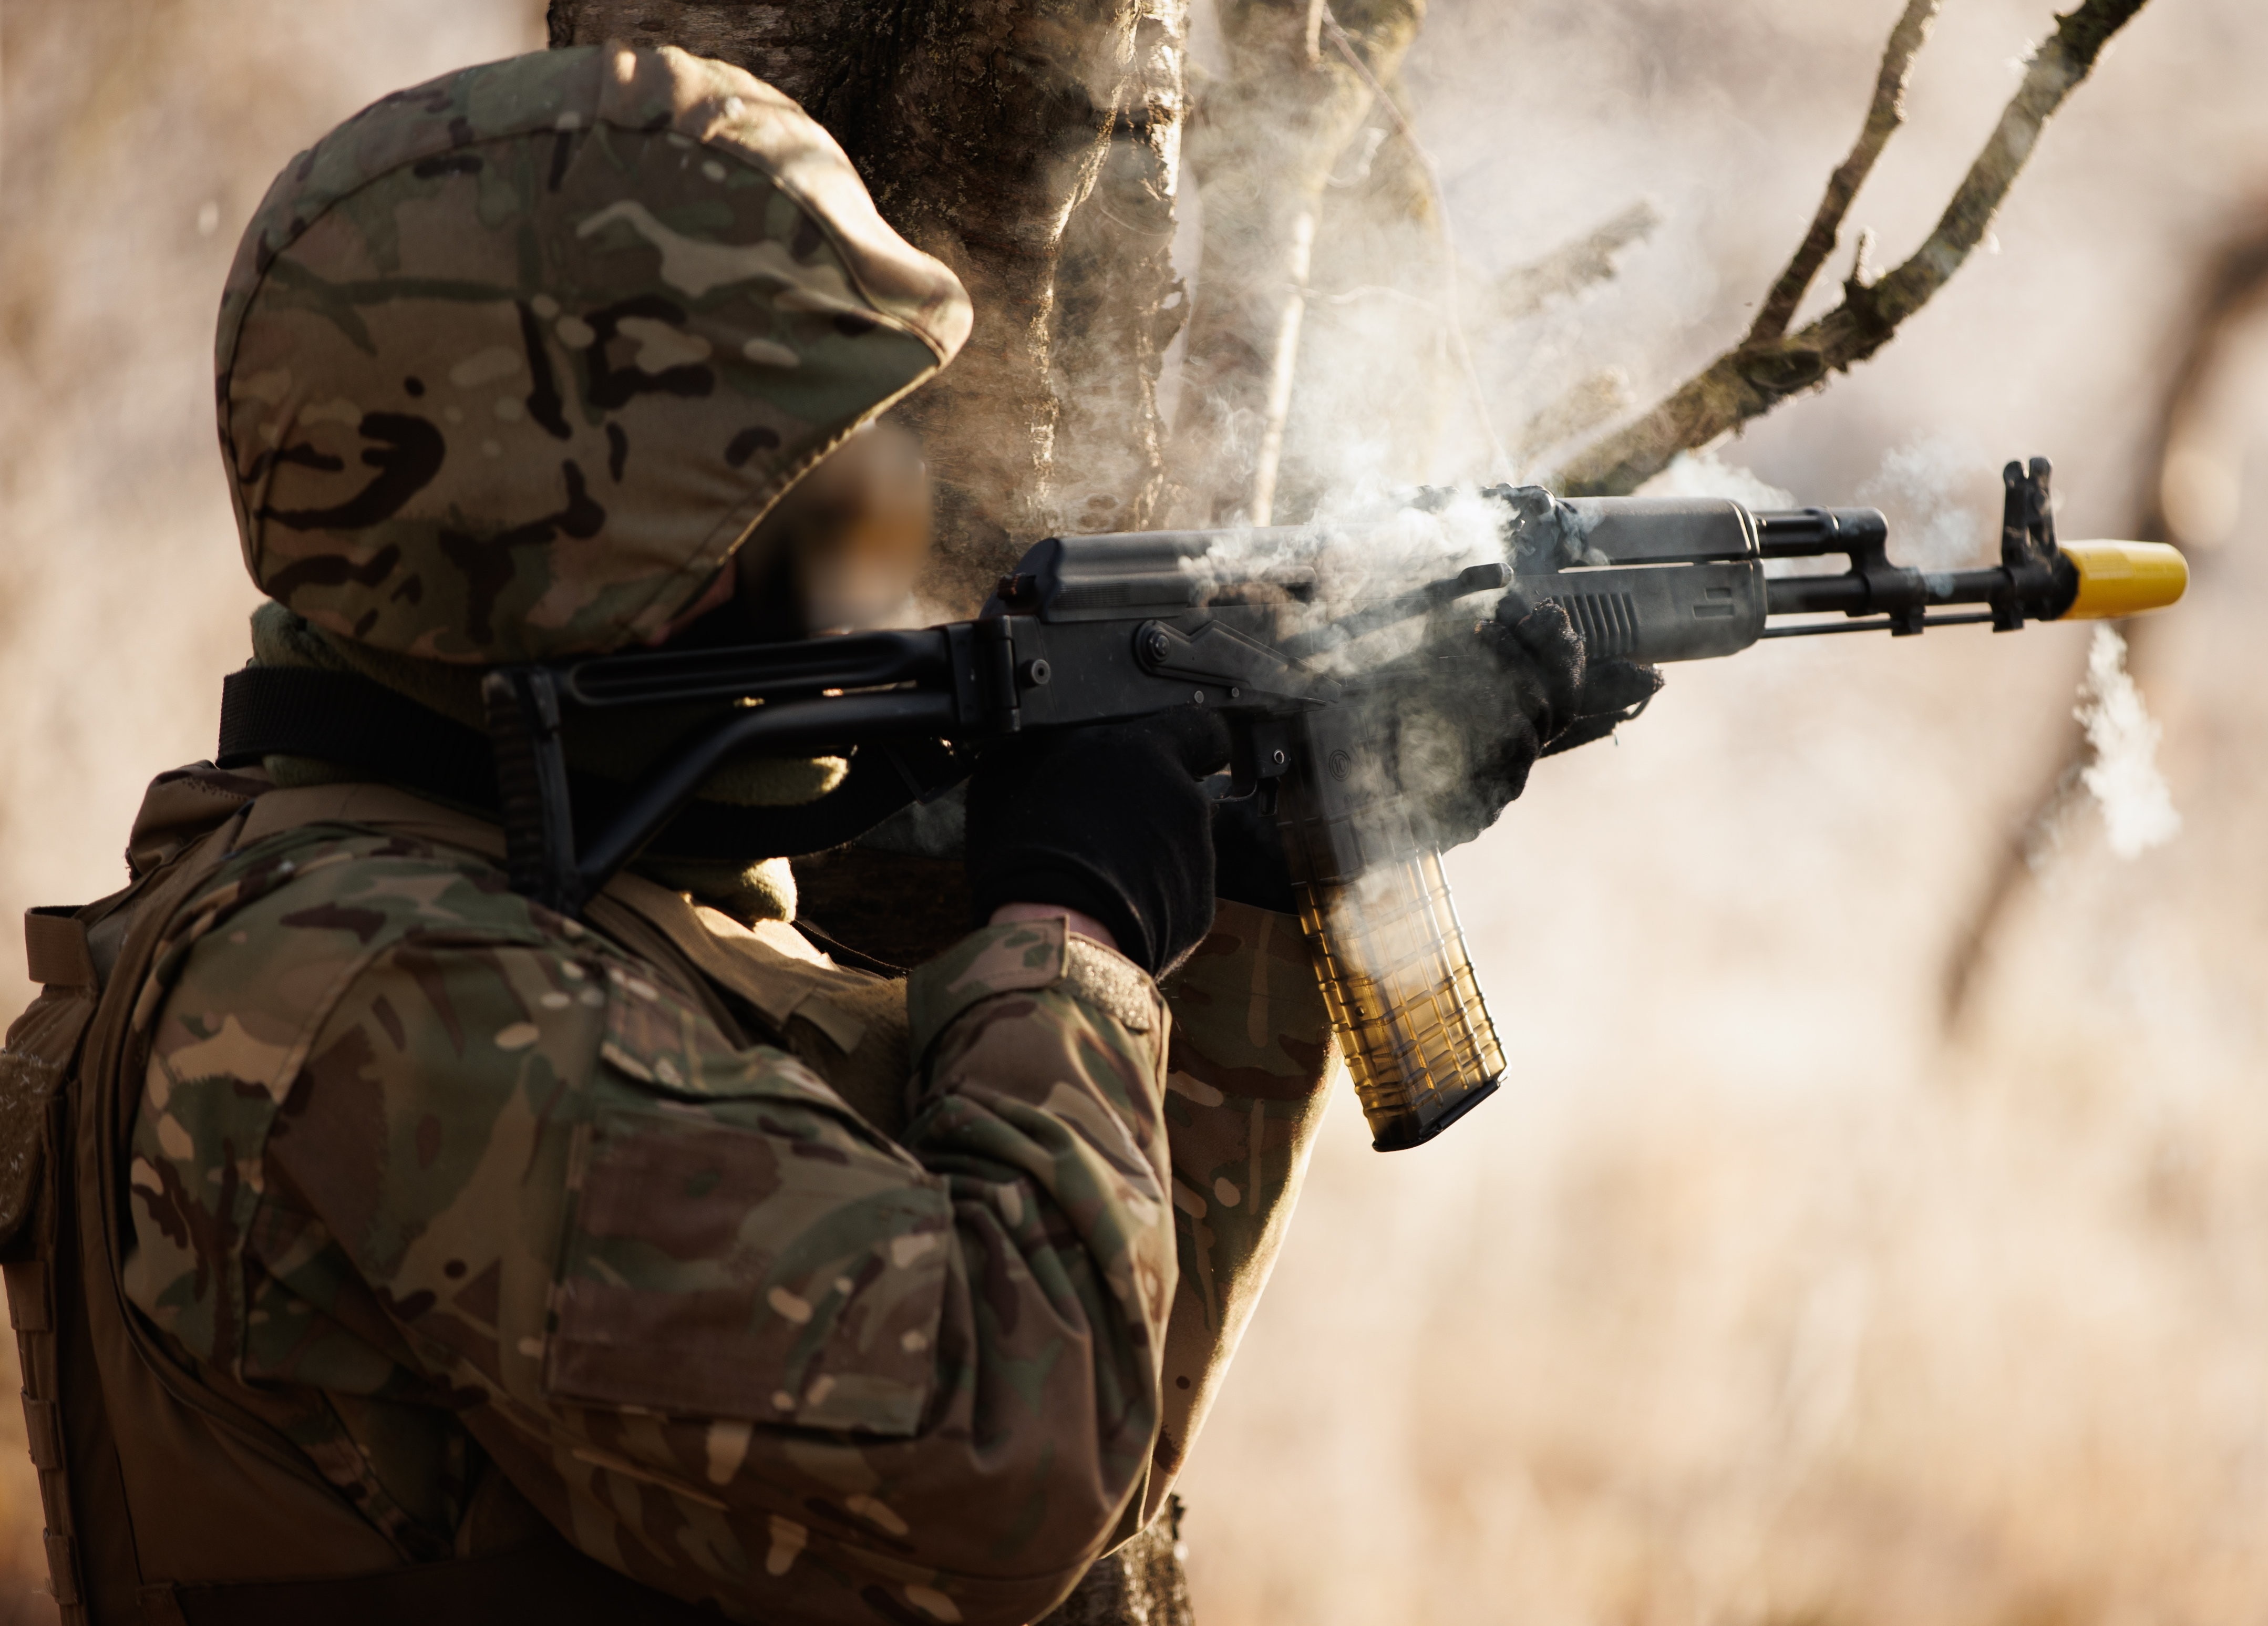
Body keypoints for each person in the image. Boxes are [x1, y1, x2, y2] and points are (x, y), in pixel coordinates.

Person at [0, 41, 1585, 1625]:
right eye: (845, 496)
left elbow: (1081, 1412)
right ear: (604, 551)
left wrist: (1242, 875)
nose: (900, 549)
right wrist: (1069, 934)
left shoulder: (491, 906)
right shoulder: (388, 999)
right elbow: (1005, 1468)